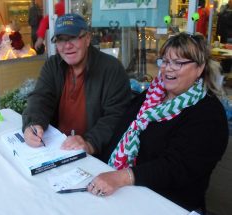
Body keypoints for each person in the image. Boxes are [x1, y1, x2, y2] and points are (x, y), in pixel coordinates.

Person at [88, 32, 228, 212]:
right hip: (127, 191)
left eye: (178, 63)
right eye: (165, 61)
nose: (168, 69)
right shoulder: (151, 95)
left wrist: (122, 177)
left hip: (169, 204)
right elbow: (120, 132)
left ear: (200, 68)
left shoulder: (208, 114)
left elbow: (177, 167)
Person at [22, 13, 132, 157]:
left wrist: (89, 143)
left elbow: (117, 116)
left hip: (97, 156)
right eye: (61, 40)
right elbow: (40, 98)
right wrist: (33, 123)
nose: (67, 46)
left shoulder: (111, 69)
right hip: (56, 148)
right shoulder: (53, 65)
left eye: (73, 37)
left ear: (87, 39)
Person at [216, 0, 232, 73]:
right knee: (226, 52)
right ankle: (225, 69)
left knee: (226, 52)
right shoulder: (226, 12)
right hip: (227, 35)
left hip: (225, 34)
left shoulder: (223, 11)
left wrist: (217, 33)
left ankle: (225, 69)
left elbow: (220, 21)